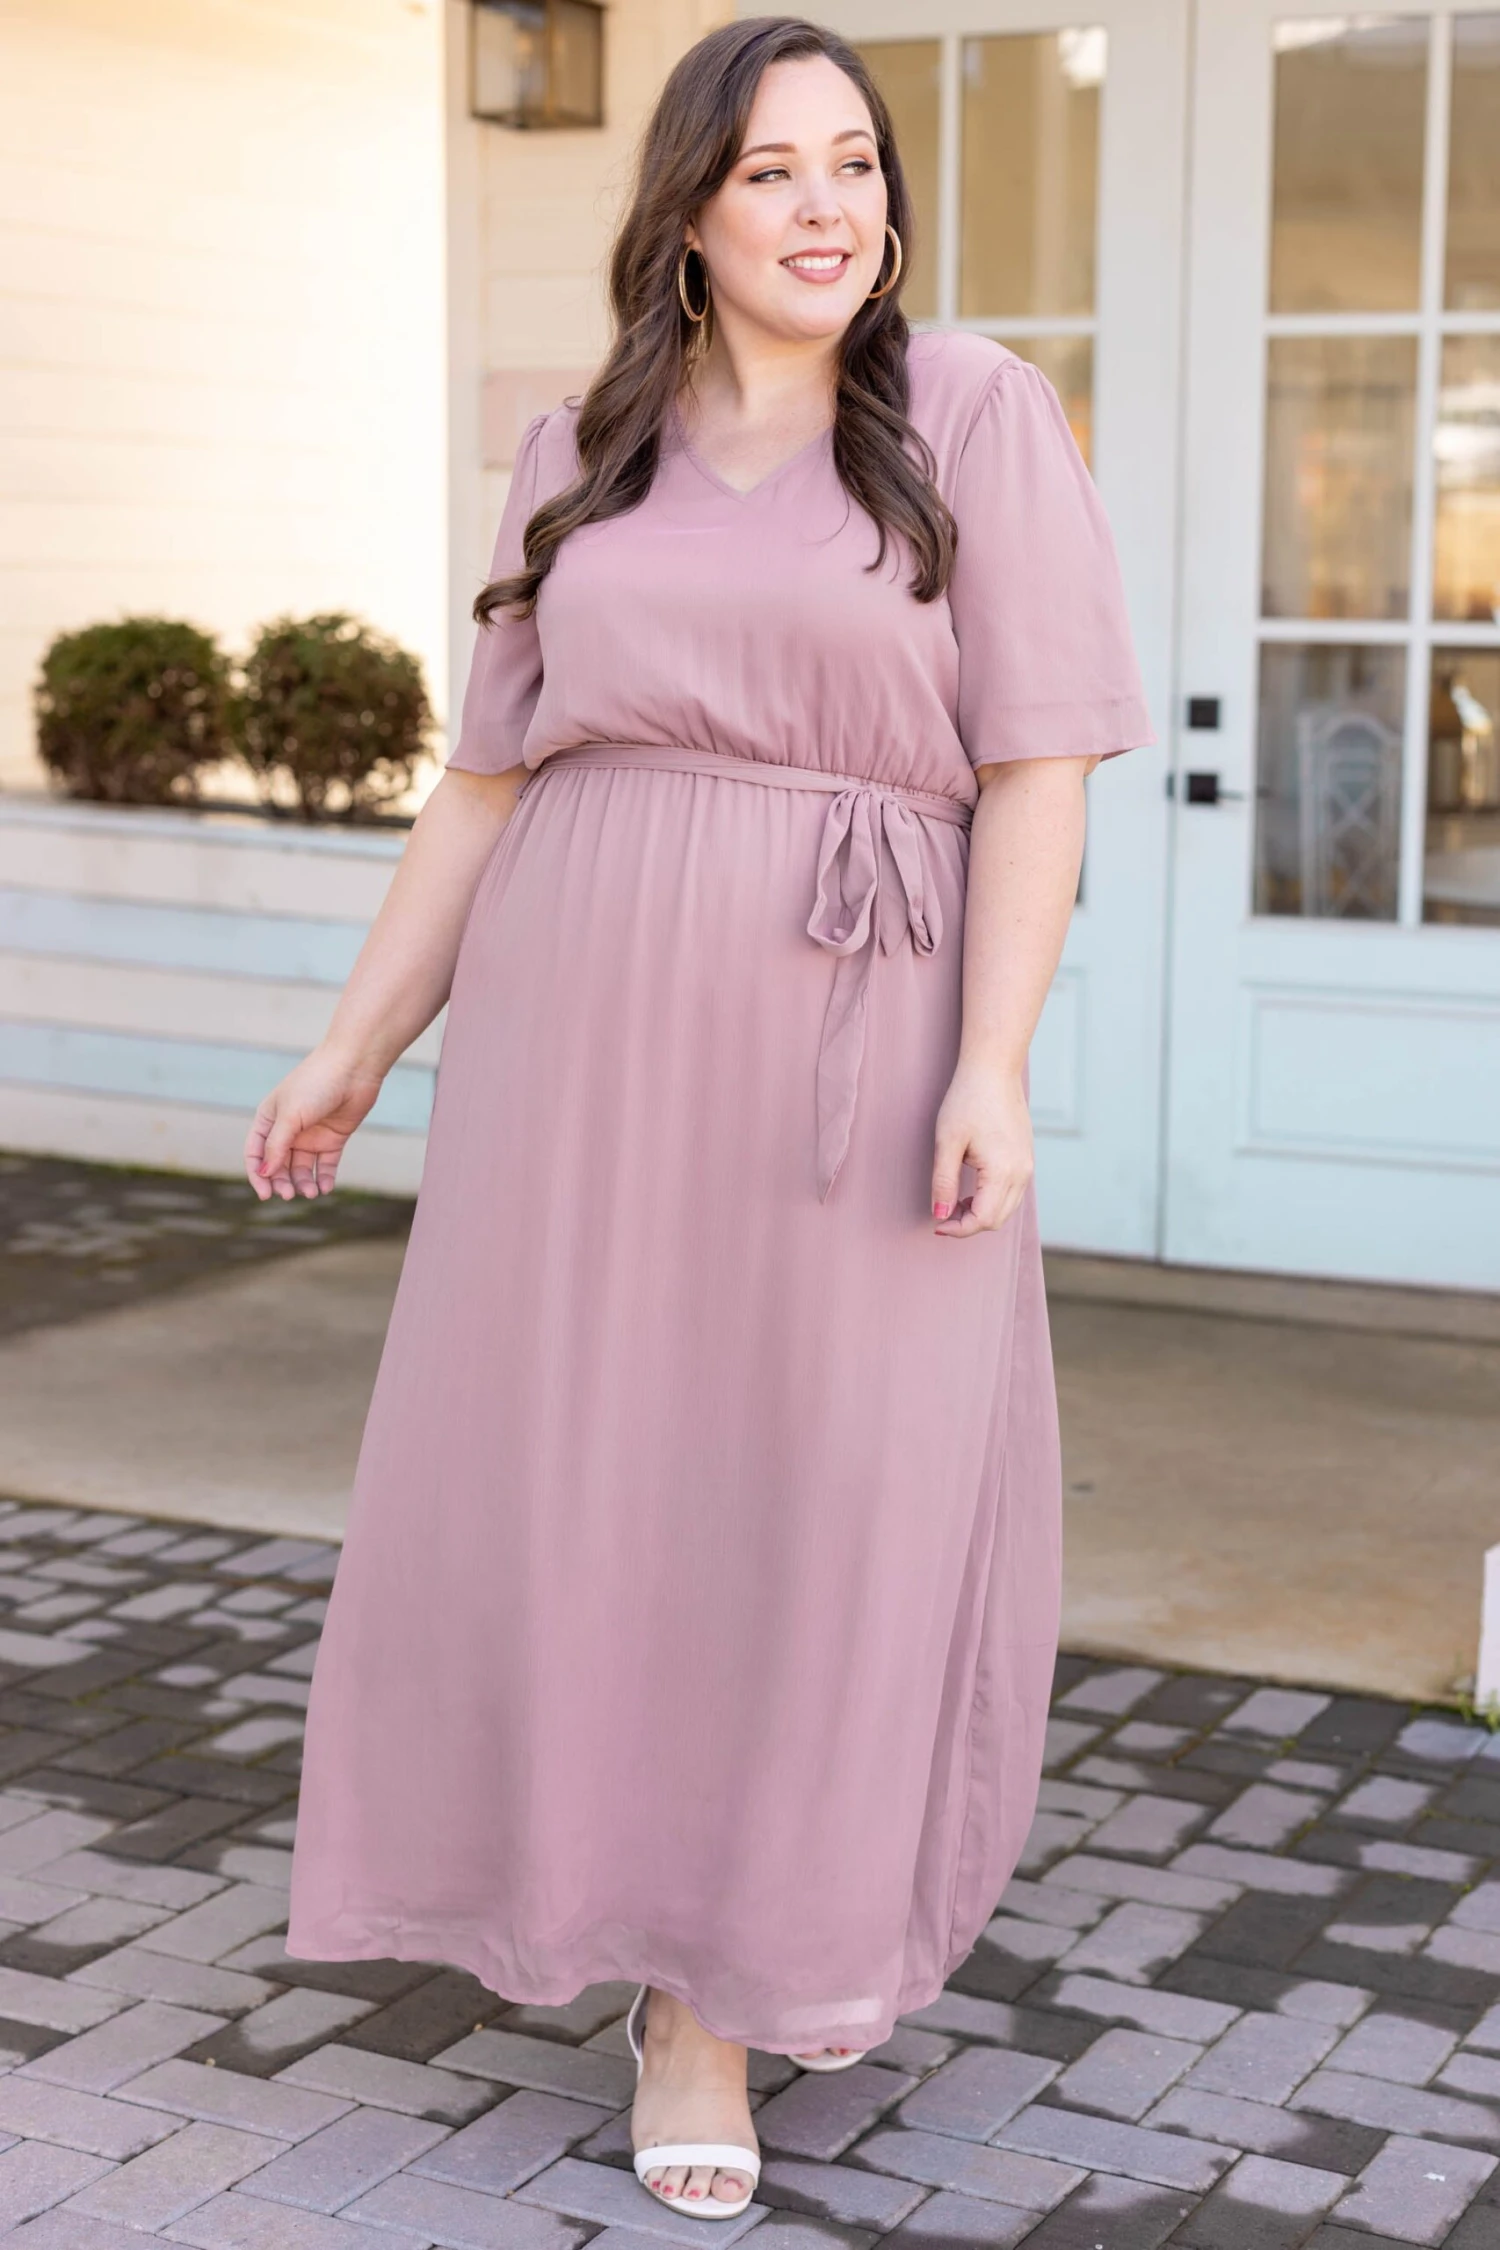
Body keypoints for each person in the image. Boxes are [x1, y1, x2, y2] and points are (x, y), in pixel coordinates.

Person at [247, 12, 1154, 2224]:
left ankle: (778, 1927)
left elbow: (1038, 763)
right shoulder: (581, 448)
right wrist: (356, 1043)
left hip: (863, 1034)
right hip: (581, 1044)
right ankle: (678, 1989)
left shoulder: (972, 414)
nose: (829, 207)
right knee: (605, 1491)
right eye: (772, 170)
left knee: (831, 1502)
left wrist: (994, 1057)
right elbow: (486, 783)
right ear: (687, 211)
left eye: (857, 164)